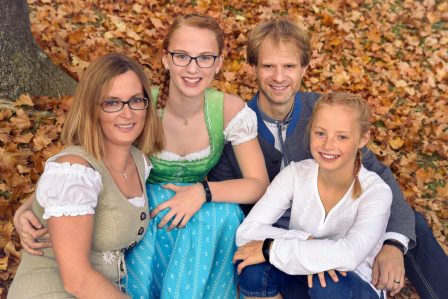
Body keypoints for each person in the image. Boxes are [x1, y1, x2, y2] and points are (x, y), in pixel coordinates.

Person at [13, 14, 269, 299]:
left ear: (219, 62)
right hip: (141, 215)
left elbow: (258, 183)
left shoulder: (222, 109)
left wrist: (201, 191)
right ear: (165, 58)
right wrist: (27, 209)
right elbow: (82, 162)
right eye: (182, 56)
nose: (193, 68)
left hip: (188, 210)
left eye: (205, 58)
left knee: (222, 216)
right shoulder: (140, 102)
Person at [208, 19, 448, 298]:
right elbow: (232, 205)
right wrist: (299, 245)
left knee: (409, 226)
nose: (279, 77)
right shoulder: (238, 126)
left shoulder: (324, 112)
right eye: (268, 66)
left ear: (304, 69)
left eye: (289, 66)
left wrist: (393, 244)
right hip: (276, 234)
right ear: (252, 68)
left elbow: (377, 177)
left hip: (340, 228)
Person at [8, 53, 164, 298]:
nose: (127, 113)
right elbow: (76, 280)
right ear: (92, 108)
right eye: (112, 103)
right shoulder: (73, 173)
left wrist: (26, 207)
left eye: (135, 100)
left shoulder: (139, 161)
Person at [234, 92, 392, 298]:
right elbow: (246, 233)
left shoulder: (376, 192)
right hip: (299, 275)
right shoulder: (295, 173)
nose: (328, 145)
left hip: (350, 286)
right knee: (251, 267)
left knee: (326, 285)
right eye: (320, 133)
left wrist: (270, 248)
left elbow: (349, 255)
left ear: (363, 139)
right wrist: (304, 240)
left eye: (342, 137)